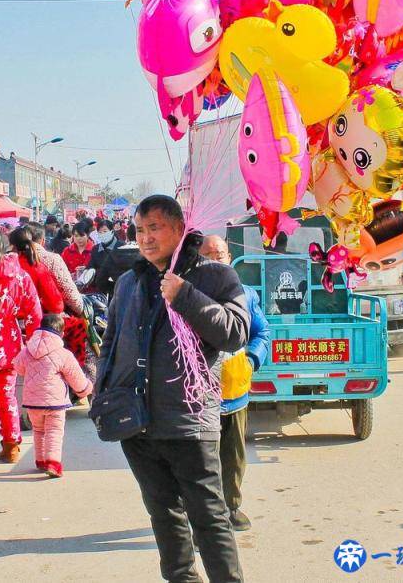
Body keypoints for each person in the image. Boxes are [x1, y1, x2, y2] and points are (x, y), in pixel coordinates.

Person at [97, 195, 249, 583]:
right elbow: (112, 343)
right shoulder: (129, 282)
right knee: (162, 513)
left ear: (180, 229)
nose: (146, 238)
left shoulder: (214, 276)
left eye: (155, 228)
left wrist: (185, 295)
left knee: (209, 517)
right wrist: (104, 394)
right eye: (140, 229)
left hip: (188, 422)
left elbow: (235, 333)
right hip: (137, 425)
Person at [200, 235, 270, 532]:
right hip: (198, 397)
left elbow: (262, 332)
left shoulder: (246, 295)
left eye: (221, 255)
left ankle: (232, 507)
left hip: (235, 392)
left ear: (229, 257)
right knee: (202, 461)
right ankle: (203, 514)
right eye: (208, 256)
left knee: (234, 458)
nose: (216, 261)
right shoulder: (187, 295)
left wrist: (251, 360)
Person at [0, 229, 42, 462]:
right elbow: (34, 314)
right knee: (7, 399)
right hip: (8, 350)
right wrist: (34, 346)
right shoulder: (19, 277)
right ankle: (12, 448)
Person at [13, 314, 92, 478]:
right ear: (61, 333)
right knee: (54, 432)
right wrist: (85, 389)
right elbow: (75, 378)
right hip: (55, 403)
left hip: (32, 402)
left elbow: (18, 367)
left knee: (39, 431)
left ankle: (41, 461)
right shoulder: (63, 354)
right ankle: (53, 463)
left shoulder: (27, 350)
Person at [9, 227, 64, 315]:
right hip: (32, 319)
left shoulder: (3, 266)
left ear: (12, 245)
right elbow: (56, 304)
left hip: (5, 320)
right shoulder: (37, 267)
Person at [94, 222, 141, 298]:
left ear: (127, 237)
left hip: (120, 299)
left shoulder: (114, 253)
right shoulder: (149, 254)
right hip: (145, 300)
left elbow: (100, 281)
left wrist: (116, 288)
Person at [87, 219, 124, 289]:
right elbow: (91, 267)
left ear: (112, 232)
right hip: (100, 288)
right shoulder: (96, 249)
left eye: (105, 231)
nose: (102, 234)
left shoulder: (122, 247)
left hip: (119, 288)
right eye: (100, 232)